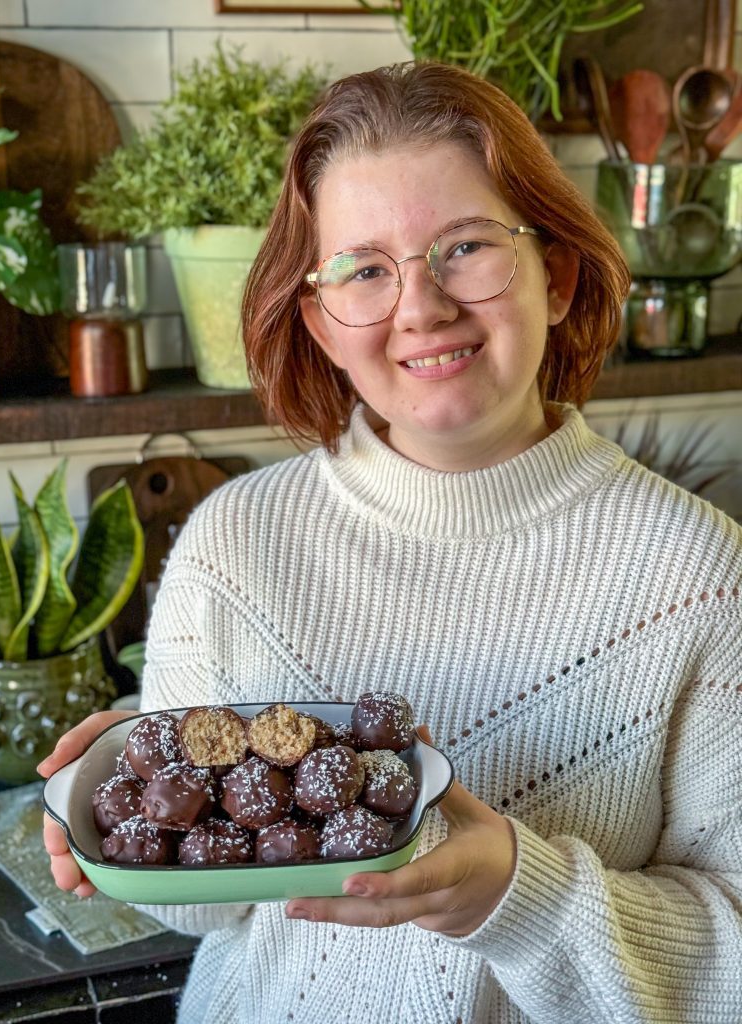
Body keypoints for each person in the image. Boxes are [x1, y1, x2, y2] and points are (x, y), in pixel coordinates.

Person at [39, 61, 742, 1024]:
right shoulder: (234, 545)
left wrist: (516, 894)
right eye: (365, 269)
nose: (420, 307)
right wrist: (121, 815)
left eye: (466, 248)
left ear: (560, 274)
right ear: (324, 325)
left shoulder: (699, 576)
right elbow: (210, 904)